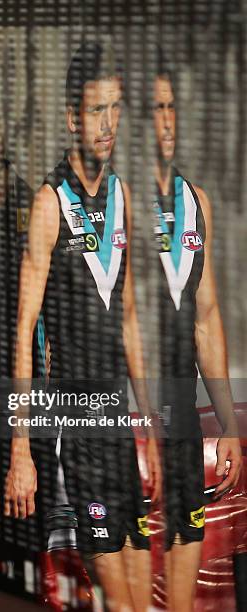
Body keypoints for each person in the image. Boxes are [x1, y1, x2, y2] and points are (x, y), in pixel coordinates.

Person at [4, 42, 161, 611]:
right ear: (73, 116)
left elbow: (132, 320)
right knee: (119, 605)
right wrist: (21, 449)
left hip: (120, 427)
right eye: (98, 110)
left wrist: (150, 430)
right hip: (74, 429)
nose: (109, 124)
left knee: (147, 605)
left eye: (116, 108)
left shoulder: (122, 197)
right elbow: (22, 331)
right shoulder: (50, 204)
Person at [152, 63, 242, 611]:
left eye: (170, 107)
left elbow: (207, 320)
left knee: (180, 600)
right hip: (118, 421)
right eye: (152, 109)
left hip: (180, 416)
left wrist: (229, 423)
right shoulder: (101, 199)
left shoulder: (194, 201)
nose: (165, 121)